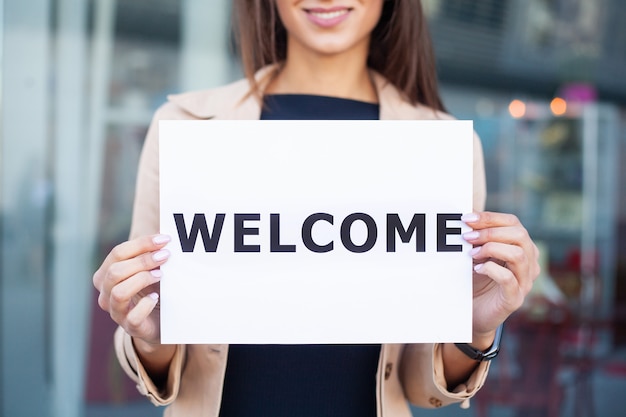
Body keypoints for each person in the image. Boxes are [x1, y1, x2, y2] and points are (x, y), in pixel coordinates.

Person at [93, 1, 540, 416]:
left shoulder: (443, 150)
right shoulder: (184, 127)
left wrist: (475, 328)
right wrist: (149, 334)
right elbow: (150, 329)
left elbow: (419, 382)